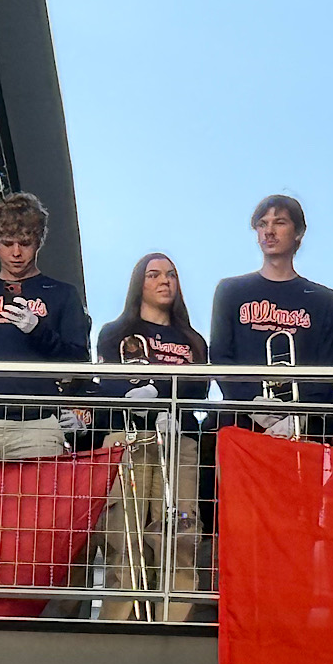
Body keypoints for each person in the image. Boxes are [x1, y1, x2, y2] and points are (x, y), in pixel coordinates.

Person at [94, 253, 210, 619]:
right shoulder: (115, 332)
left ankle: (174, 624)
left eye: (171, 274)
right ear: (138, 284)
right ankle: (120, 626)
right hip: (128, 438)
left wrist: (162, 396)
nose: (164, 281)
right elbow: (109, 385)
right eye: (154, 274)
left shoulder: (192, 339)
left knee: (179, 535)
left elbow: (200, 388)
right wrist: (139, 397)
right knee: (124, 538)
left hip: (179, 441)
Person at [0, 192, 92, 460]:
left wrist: (38, 331)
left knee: (39, 490)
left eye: (25, 243)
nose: (16, 252)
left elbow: (79, 361)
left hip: (37, 423)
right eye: (7, 243)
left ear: (38, 242)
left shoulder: (62, 294)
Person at [208, 193, 333, 435]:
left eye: (279, 222)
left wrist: (298, 416)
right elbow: (220, 357)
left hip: (304, 430)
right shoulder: (230, 290)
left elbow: (326, 371)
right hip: (241, 423)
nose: (269, 231)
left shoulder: (324, 300)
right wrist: (252, 404)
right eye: (262, 224)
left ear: (299, 232)